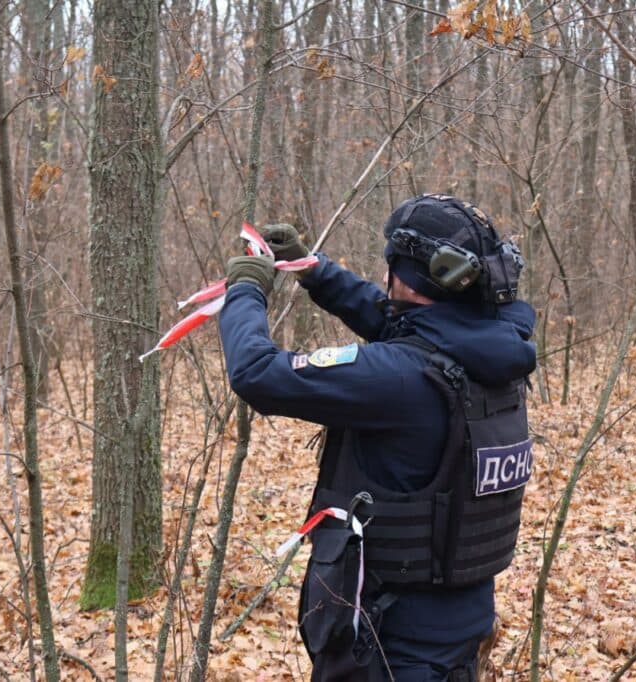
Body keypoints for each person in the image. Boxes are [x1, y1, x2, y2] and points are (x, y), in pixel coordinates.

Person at [218, 194, 537, 681]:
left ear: (406, 276)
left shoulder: (402, 378)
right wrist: (315, 272)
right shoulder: (494, 354)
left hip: (389, 645)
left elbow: (257, 373)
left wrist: (245, 289)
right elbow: (406, 326)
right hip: (458, 632)